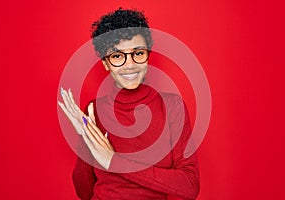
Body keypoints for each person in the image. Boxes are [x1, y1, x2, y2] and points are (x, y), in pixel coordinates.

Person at [58, 8, 200, 200]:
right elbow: (84, 192)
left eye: (138, 53)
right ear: (105, 63)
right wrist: (86, 137)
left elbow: (189, 186)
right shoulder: (94, 111)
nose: (130, 64)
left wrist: (115, 162)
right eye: (117, 56)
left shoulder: (172, 106)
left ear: (147, 55)